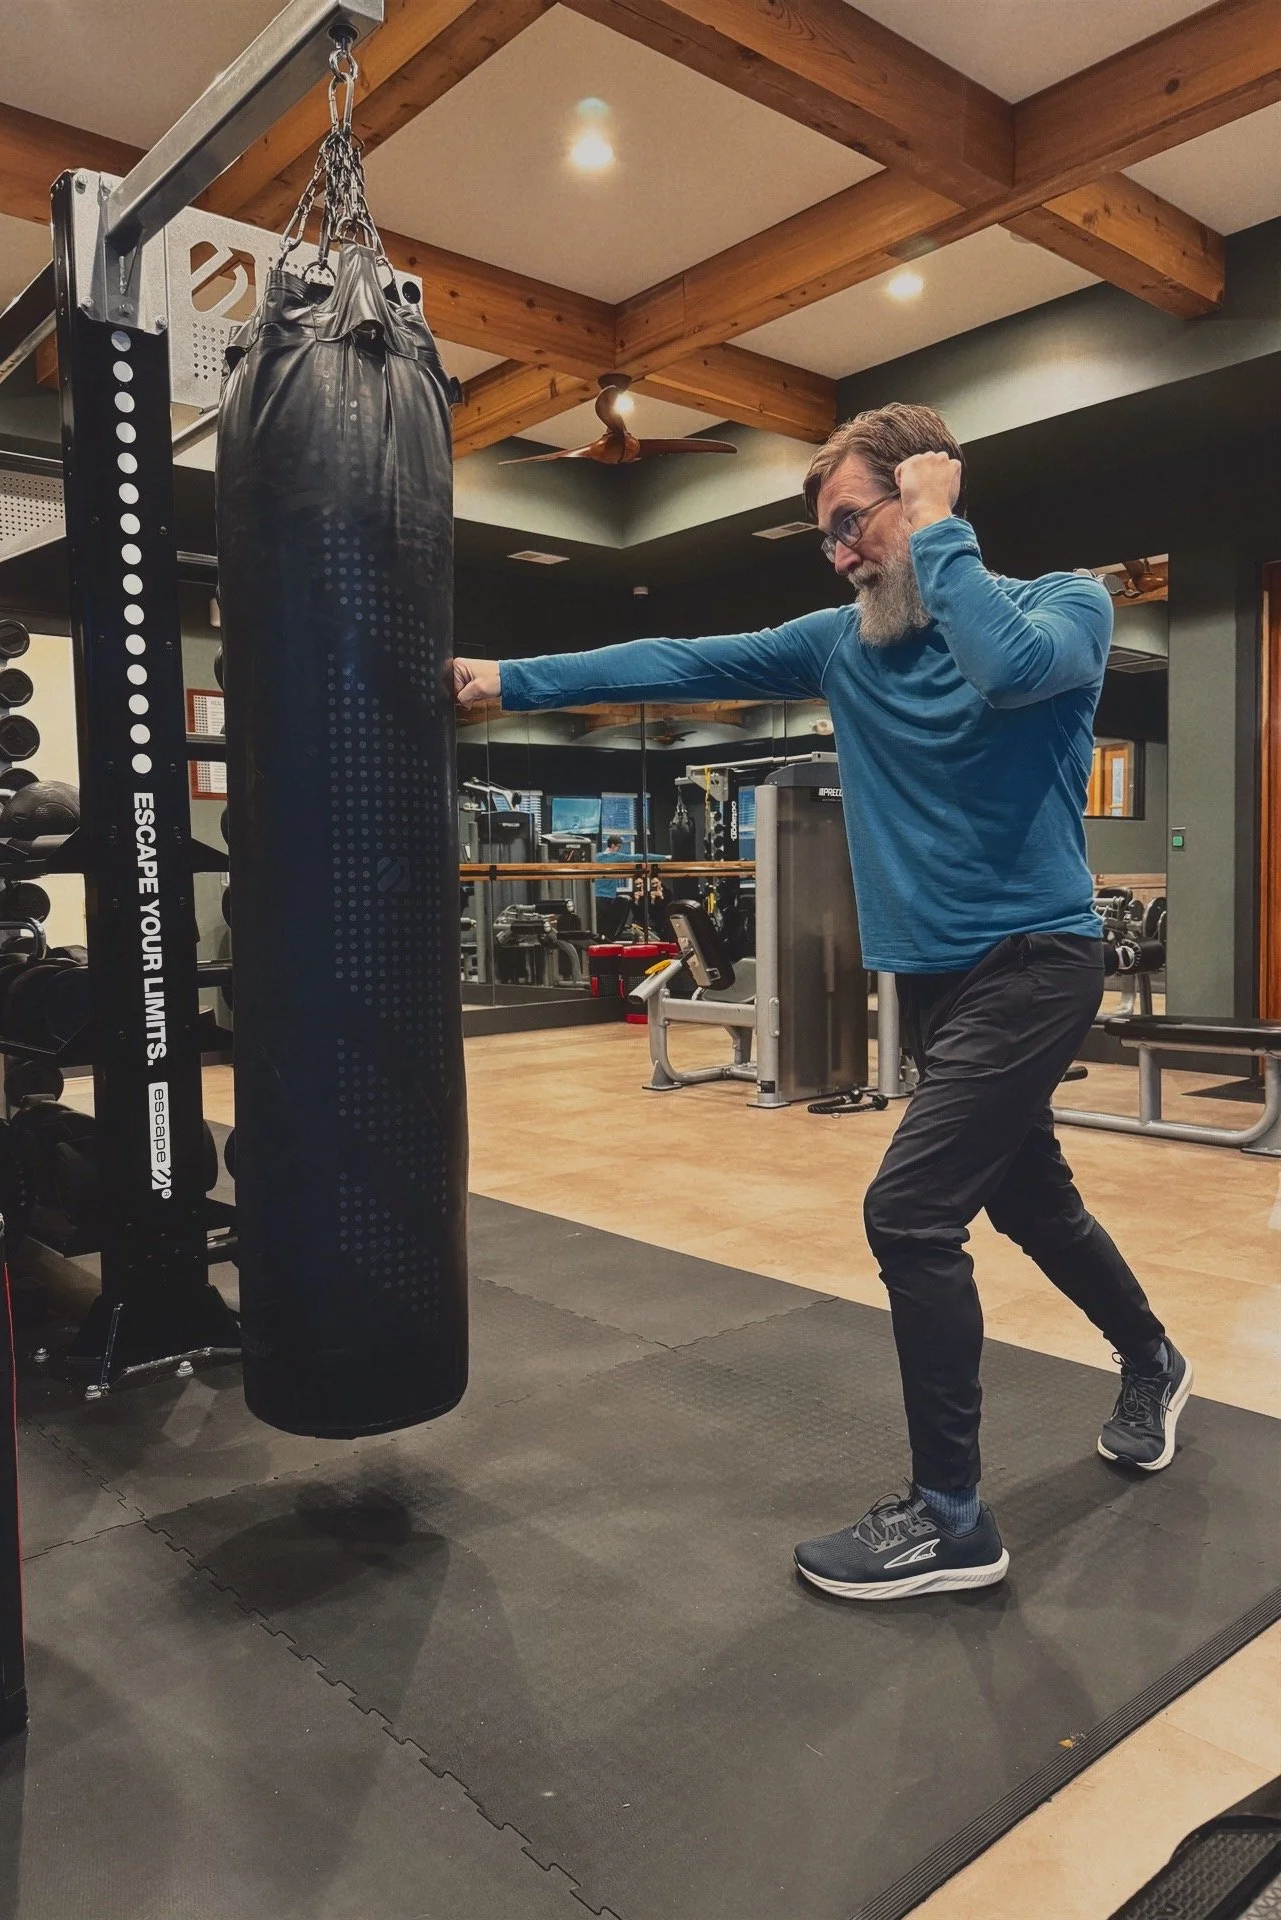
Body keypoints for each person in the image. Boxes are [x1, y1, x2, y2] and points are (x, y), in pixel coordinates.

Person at [452, 402, 1189, 1602]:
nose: (841, 553)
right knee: (1032, 1206)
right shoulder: (841, 642)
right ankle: (1152, 1355)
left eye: (856, 523)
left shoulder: (1069, 607)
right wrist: (509, 678)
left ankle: (953, 1517)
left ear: (927, 492)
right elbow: (682, 660)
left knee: (909, 1212)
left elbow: (1007, 671)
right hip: (941, 980)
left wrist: (939, 533)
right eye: (827, 538)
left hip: (1038, 961)